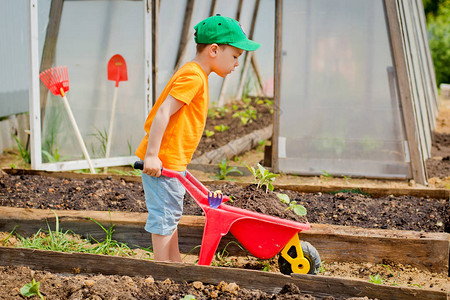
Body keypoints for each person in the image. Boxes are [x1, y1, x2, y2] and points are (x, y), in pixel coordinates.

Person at [135, 14, 260, 262]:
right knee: (164, 216)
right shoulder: (193, 76)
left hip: (173, 162)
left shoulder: (197, 75)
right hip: (162, 162)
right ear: (214, 50)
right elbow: (163, 113)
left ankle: (175, 264)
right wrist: (152, 156)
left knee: (171, 215)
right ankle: (163, 270)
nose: (236, 63)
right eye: (235, 56)